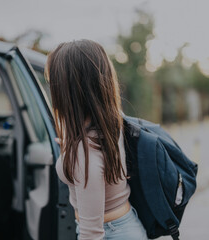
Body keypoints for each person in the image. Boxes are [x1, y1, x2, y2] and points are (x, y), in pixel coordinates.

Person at [45, 39, 148, 240]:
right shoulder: (111, 121)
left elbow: (91, 235)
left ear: (68, 91)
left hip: (110, 233)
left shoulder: (85, 154)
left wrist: (76, 154)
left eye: (53, 82)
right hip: (125, 227)